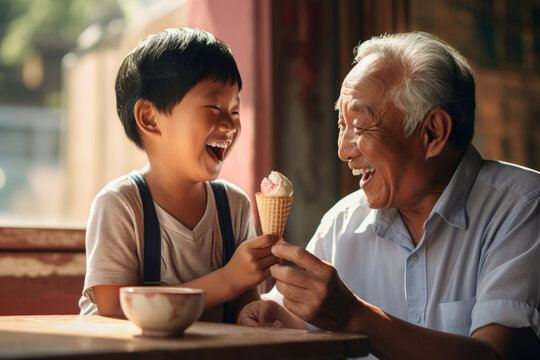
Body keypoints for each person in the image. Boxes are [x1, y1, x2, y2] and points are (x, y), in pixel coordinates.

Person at [239, 31, 540, 359]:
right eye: (342, 124)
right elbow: (295, 318)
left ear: (432, 133)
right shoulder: (343, 220)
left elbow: (497, 355)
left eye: (360, 125)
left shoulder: (523, 207)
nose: (343, 151)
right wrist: (274, 317)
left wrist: (356, 318)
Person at [79, 28, 280, 321]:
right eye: (213, 106)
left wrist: (255, 311)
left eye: (235, 111)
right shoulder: (120, 205)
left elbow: (244, 300)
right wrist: (227, 280)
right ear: (150, 117)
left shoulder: (233, 206)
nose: (229, 124)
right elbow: (114, 308)